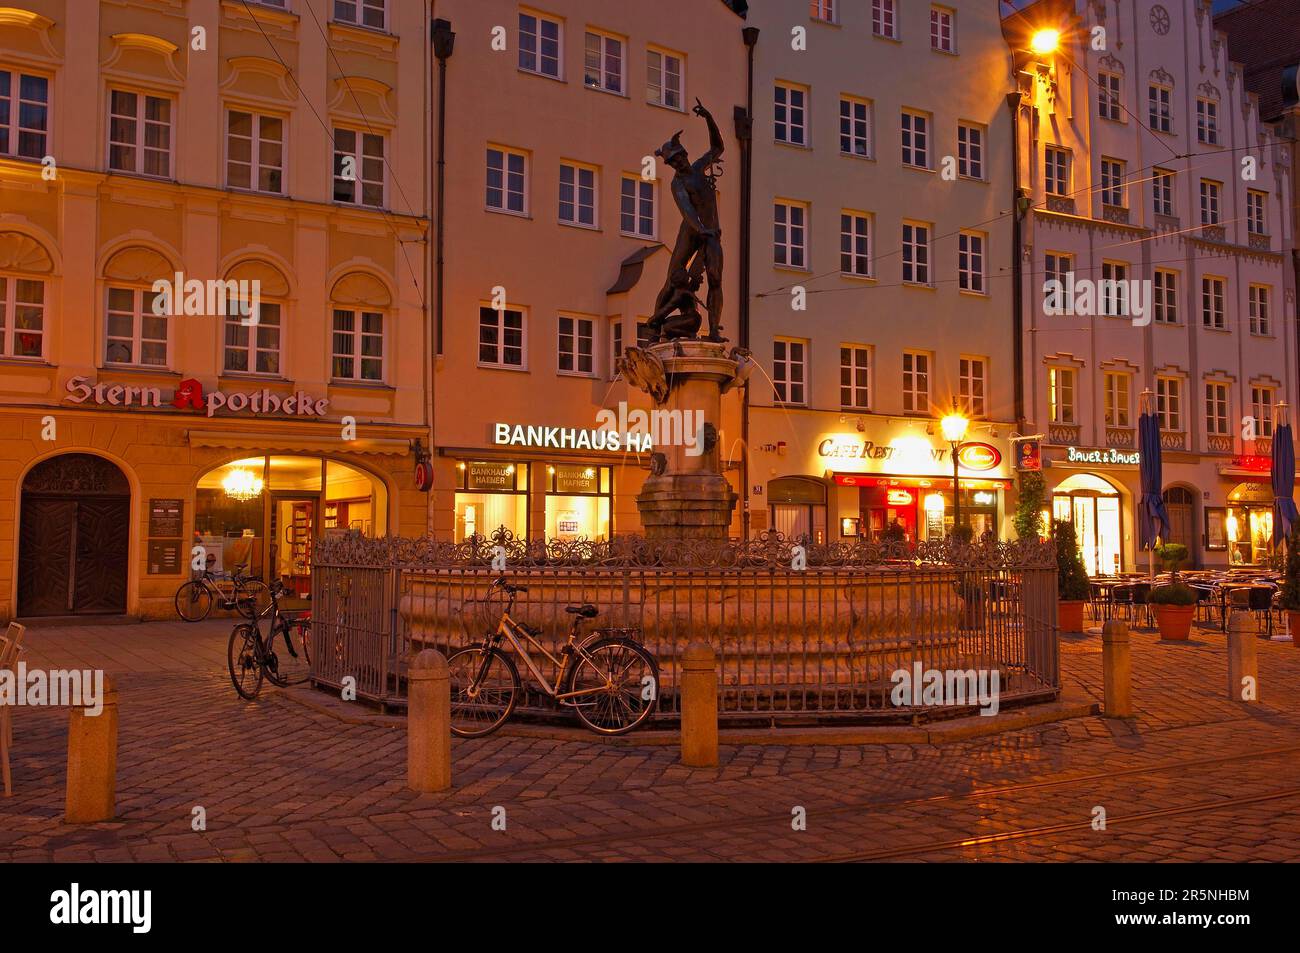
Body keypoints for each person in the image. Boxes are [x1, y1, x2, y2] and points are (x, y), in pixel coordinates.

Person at [653, 99, 726, 342]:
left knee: (715, 278)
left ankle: (714, 330)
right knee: (673, 275)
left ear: (684, 154)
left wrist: (709, 119)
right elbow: (687, 211)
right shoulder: (678, 183)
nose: (678, 163)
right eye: (672, 162)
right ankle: (654, 327)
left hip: (711, 232)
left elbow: (718, 148)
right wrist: (701, 230)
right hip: (692, 232)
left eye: (679, 157)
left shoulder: (698, 168)